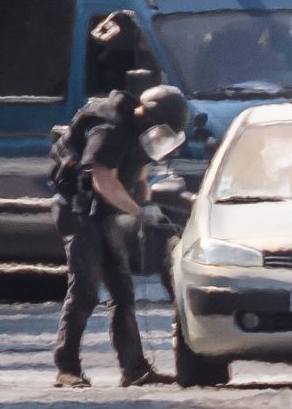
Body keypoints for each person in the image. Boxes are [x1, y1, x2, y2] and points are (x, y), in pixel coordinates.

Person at [52, 85, 189, 388]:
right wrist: (138, 212)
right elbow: (103, 181)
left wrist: (147, 199)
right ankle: (67, 367)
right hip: (79, 213)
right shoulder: (110, 129)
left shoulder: (139, 131)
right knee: (85, 290)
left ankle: (134, 369)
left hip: (105, 213)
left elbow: (137, 171)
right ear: (152, 117)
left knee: (122, 291)